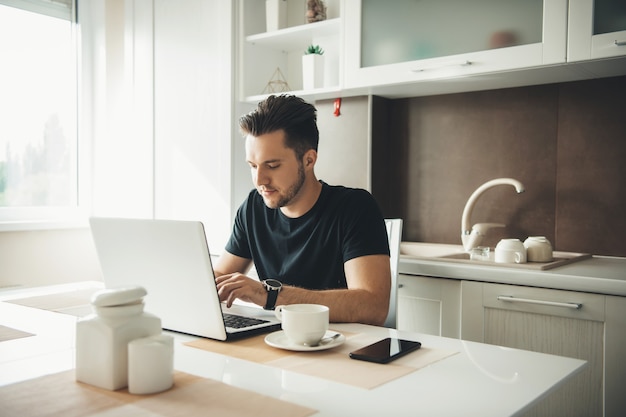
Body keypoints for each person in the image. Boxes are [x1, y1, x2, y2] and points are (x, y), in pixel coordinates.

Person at [214, 94, 391, 326]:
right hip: (276, 341)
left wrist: (269, 295)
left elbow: (373, 306)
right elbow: (219, 279)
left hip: (341, 347)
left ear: (309, 160)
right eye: (253, 166)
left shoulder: (355, 208)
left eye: (273, 165)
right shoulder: (253, 208)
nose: (260, 180)